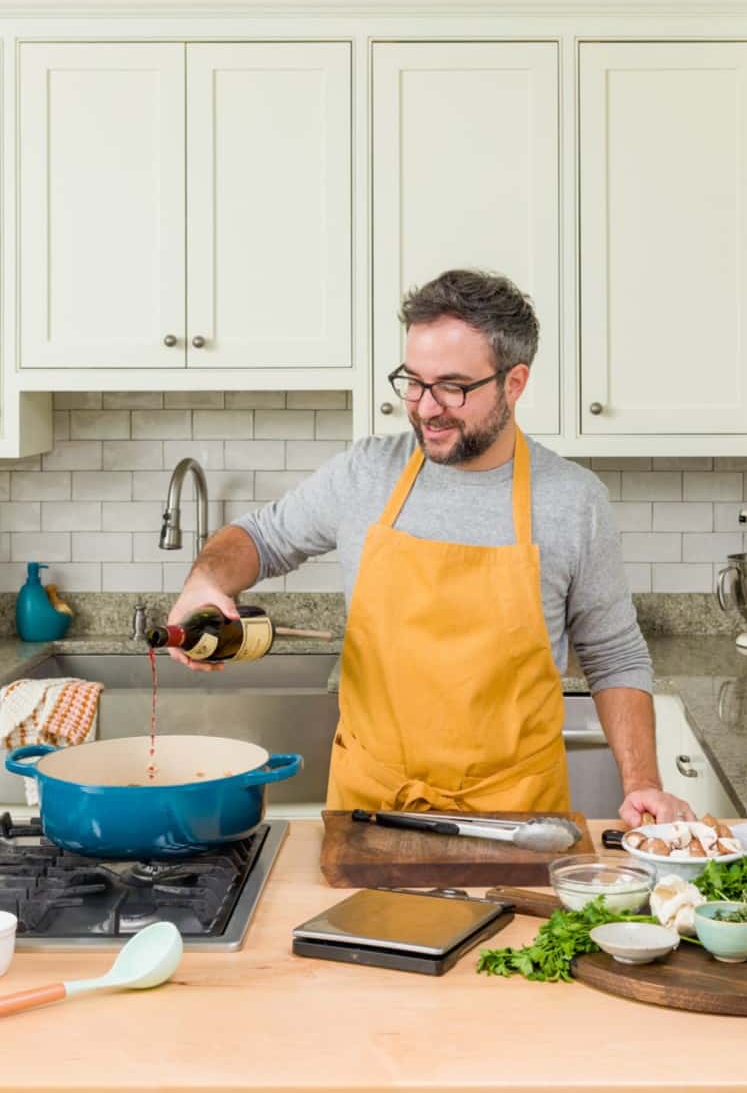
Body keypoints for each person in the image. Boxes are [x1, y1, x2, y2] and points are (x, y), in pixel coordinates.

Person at [167, 269, 694, 826]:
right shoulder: (367, 473)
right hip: (371, 808)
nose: (424, 407)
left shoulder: (573, 501)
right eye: (412, 381)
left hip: (514, 818)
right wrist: (205, 582)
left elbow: (615, 654)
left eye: (452, 387)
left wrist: (643, 784)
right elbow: (258, 538)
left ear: (514, 383)